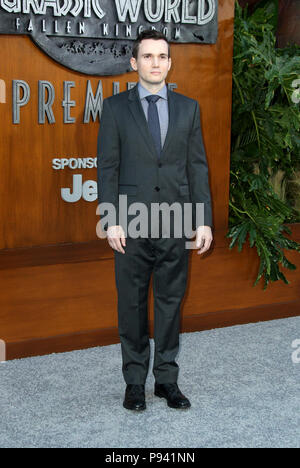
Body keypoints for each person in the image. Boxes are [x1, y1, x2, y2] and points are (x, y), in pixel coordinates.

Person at [97, 30, 213, 411]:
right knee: (131, 306)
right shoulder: (115, 108)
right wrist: (110, 218)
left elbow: (196, 167)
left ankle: (166, 380)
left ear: (169, 63)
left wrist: (203, 220)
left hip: (176, 223)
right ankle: (134, 383)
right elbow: (108, 168)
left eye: (162, 56)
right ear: (134, 64)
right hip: (129, 224)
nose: (155, 63)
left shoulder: (188, 108)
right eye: (147, 57)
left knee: (169, 304)